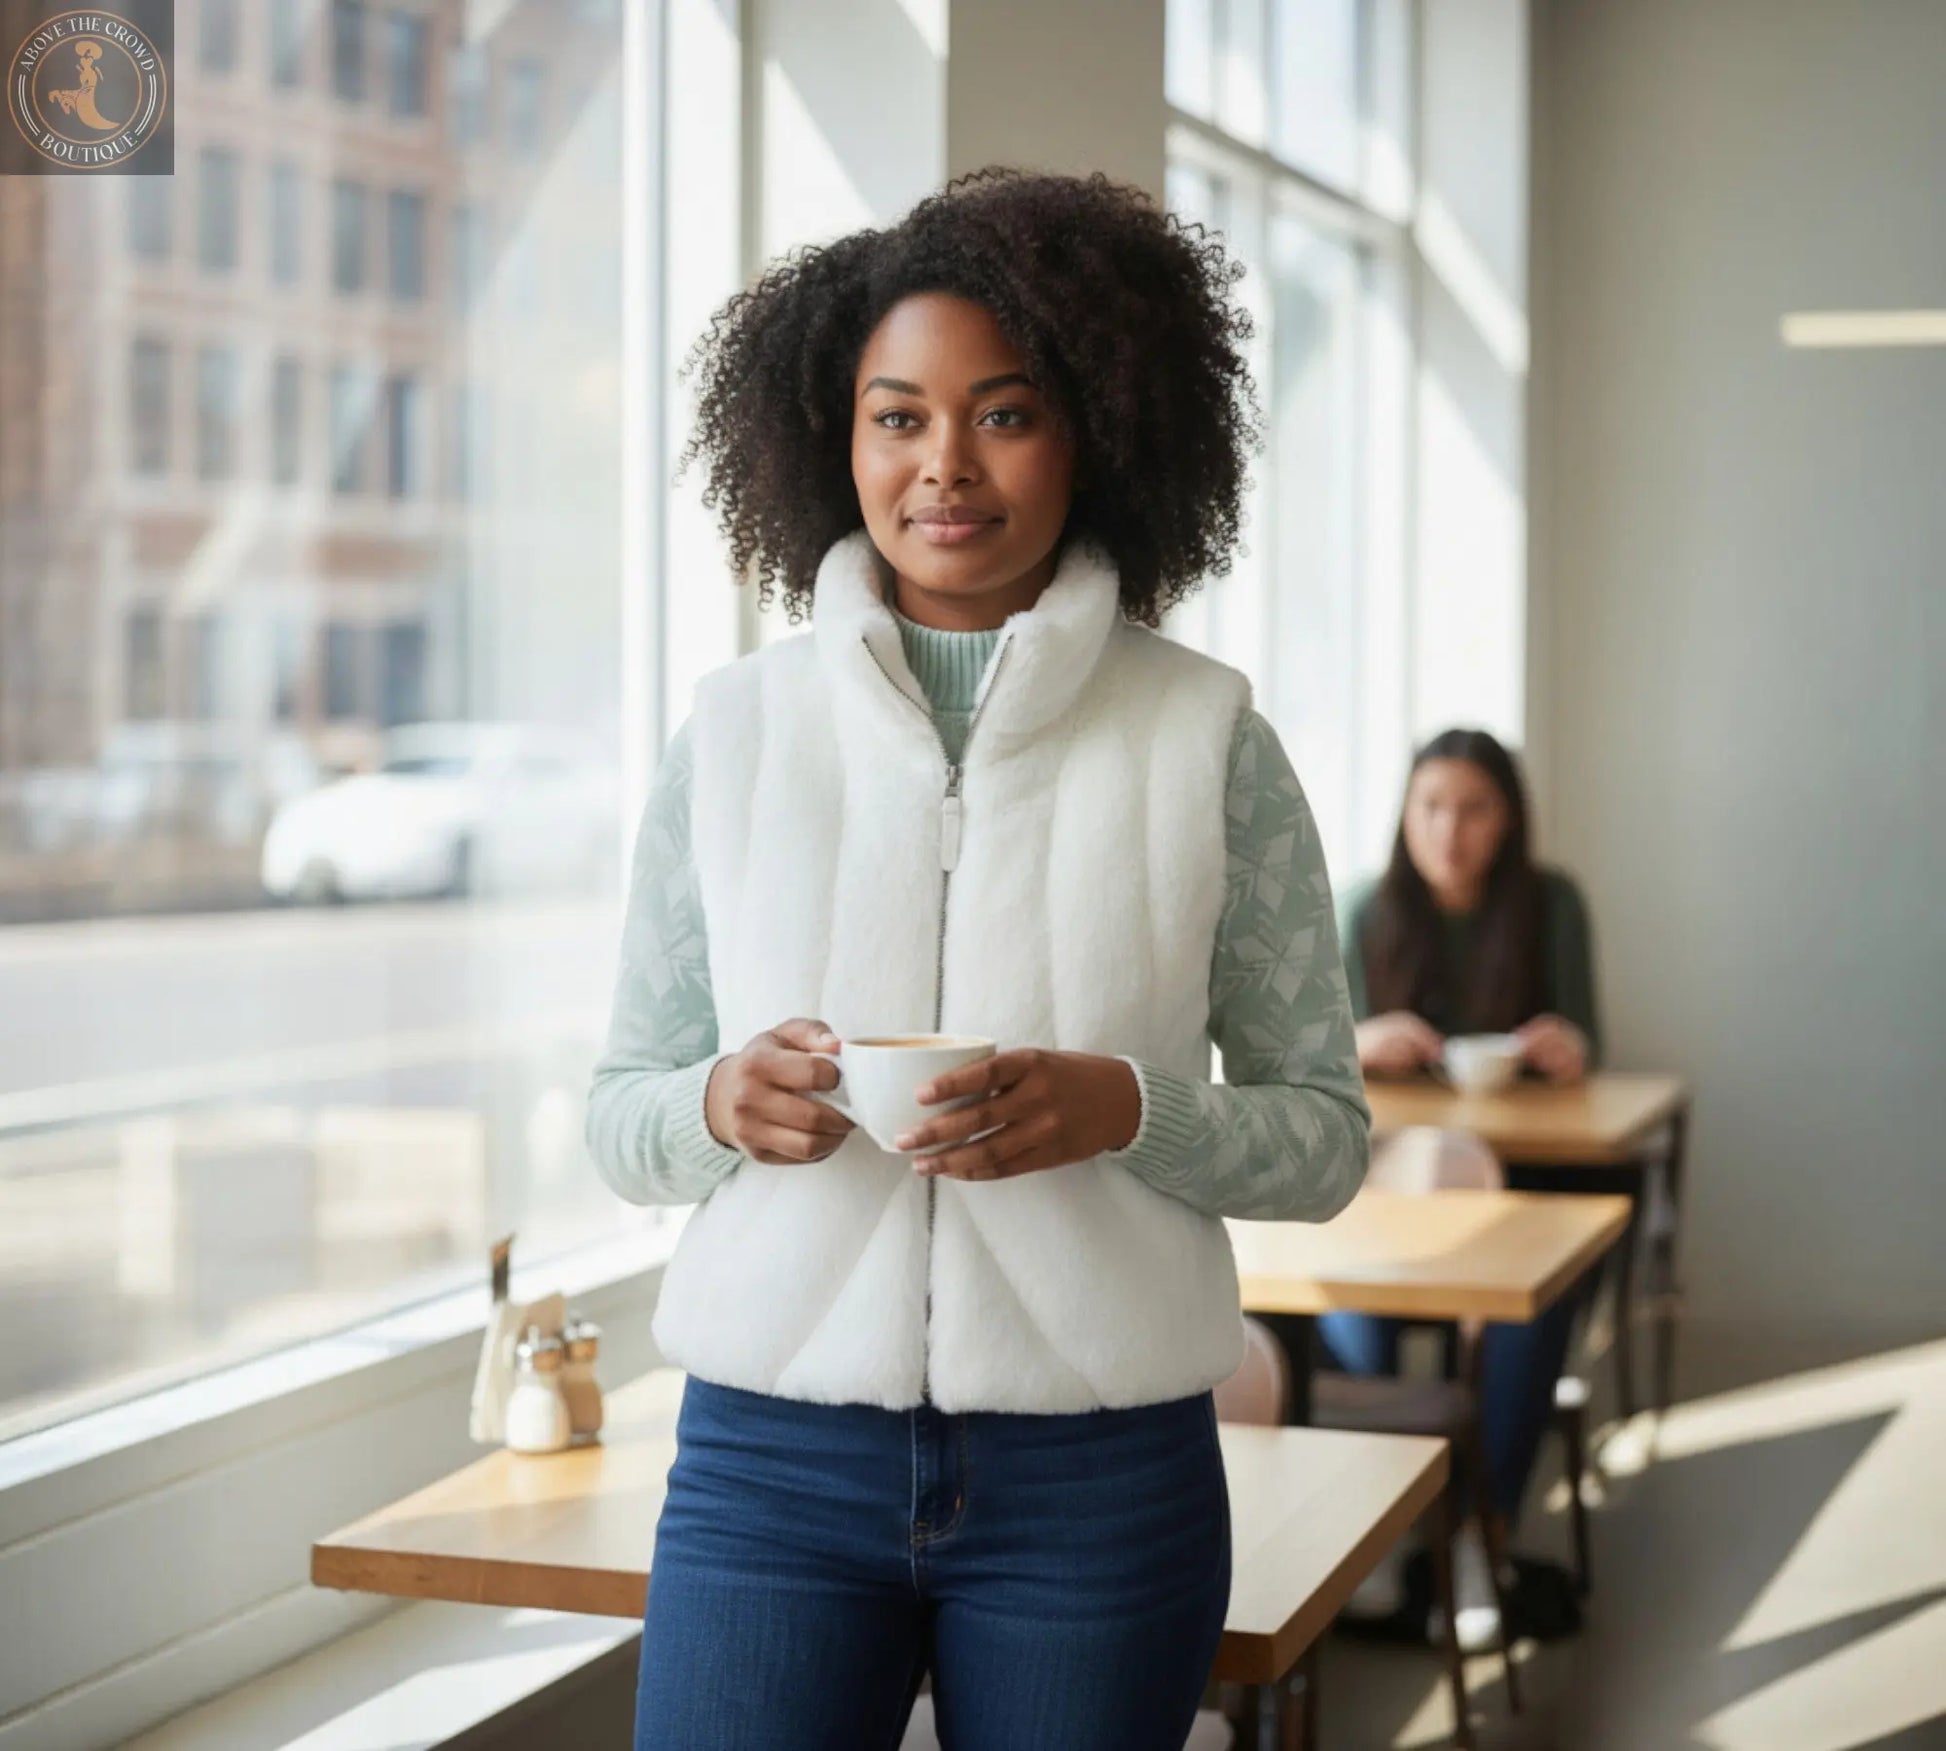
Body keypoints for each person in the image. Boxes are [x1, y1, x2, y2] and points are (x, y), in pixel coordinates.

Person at [585, 169, 1371, 1751]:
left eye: (1003, 415)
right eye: (897, 418)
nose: (943, 464)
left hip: (1099, 1477)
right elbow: (619, 1112)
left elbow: (1325, 1137)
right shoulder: (734, 732)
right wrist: (719, 1103)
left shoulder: (1205, 738)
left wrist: (1124, 1109)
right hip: (769, 1465)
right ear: (836, 438)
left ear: (1096, 434)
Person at [1327, 726, 1604, 1648]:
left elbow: (1589, 1046)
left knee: (1531, 1300)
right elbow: (1310, 1065)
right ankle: (1380, 1530)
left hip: (1517, 1182)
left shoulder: (1549, 903)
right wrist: (1357, 1042)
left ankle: (1481, 1534)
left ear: (1509, 818)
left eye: (1475, 808)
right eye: (1432, 806)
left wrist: (1566, 1047)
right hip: (1386, 1187)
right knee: (1348, 1298)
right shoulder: (1365, 909)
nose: (1450, 830)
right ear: (1404, 815)